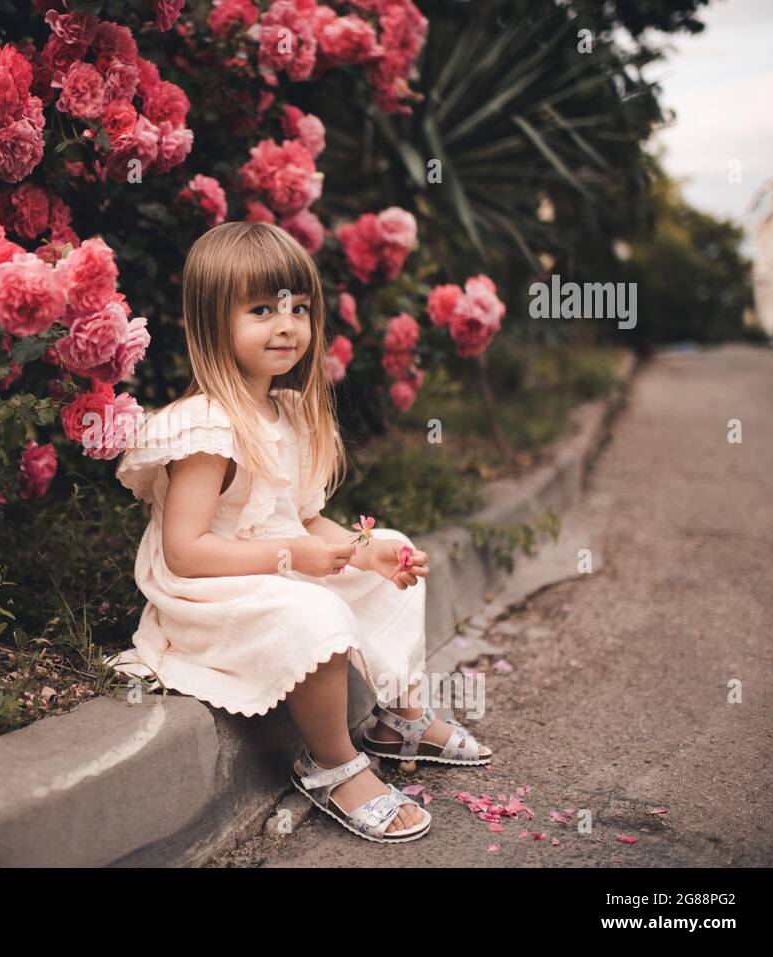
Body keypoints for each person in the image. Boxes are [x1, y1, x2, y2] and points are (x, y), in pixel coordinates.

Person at [105, 221, 491, 844]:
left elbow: (305, 519)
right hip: (208, 586)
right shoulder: (206, 427)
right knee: (313, 611)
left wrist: (365, 553)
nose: (287, 325)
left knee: (392, 569)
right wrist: (295, 557)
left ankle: (399, 719)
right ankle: (332, 764)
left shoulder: (288, 412)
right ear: (212, 321)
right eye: (262, 310)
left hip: (280, 564)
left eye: (300, 309)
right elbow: (185, 551)